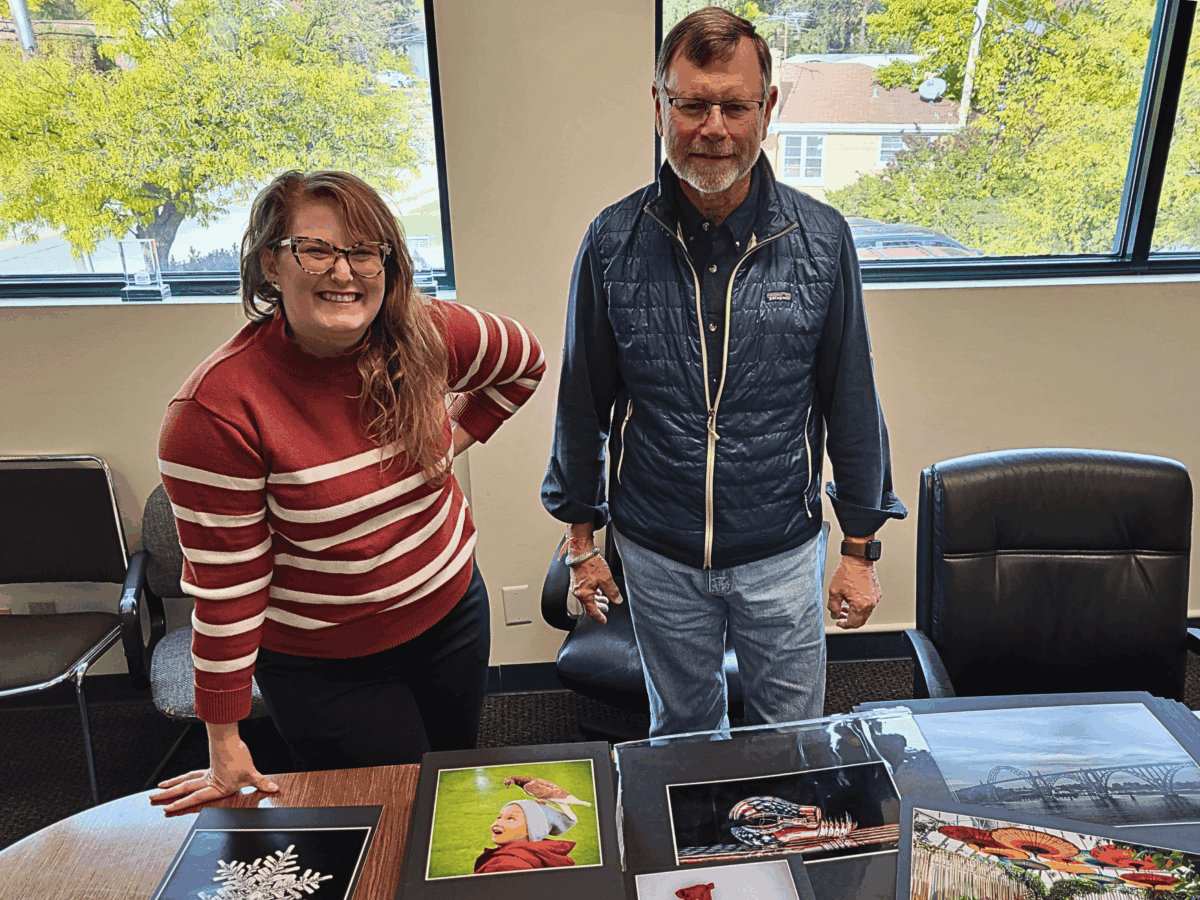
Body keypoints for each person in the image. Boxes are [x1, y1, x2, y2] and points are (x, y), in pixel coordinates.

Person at [541, 7, 906, 739]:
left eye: (735, 106)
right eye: (692, 104)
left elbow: (852, 402)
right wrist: (581, 544)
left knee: (791, 732)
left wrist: (860, 547)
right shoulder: (612, 241)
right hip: (656, 547)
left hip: (780, 546)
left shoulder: (821, 239)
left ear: (767, 109)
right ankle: (695, 857)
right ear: (659, 107)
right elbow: (582, 405)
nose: (713, 127)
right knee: (680, 730)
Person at [151, 170, 545, 811]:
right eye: (316, 249)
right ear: (270, 266)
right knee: (393, 815)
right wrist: (222, 738)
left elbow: (523, 361)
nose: (344, 271)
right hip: (327, 668)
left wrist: (447, 440)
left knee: (456, 791)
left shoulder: (426, 334)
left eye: (365, 251)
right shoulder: (217, 410)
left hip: (453, 618)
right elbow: (228, 592)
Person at [474, 800, 577, 873]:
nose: (498, 822)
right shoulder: (541, 855)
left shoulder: (505, 865)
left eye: (510, 819)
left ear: (531, 830)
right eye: (499, 817)